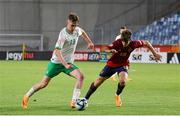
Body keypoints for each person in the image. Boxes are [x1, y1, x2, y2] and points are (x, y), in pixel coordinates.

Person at [21, 13, 94, 109]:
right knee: (43, 84)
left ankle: (74, 101)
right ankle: (26, 96)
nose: (74, 27)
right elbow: (57, 51)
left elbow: (83, 32)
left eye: (75, 25)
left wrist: (89, 42)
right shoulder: (63, 34)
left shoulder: (77, 30)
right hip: (56, 63)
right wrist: (65, 64)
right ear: (68, 22)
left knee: (81, 77)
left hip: (68, 63)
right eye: (72, 25)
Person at [84, 29, 161, 107]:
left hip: (123, 64)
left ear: (130, 40)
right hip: (112, 64)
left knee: (122, 81)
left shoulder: (134, 44)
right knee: (98, 81)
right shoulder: (117, 43)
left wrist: (155, 53)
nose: (124, 43)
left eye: (125, 42)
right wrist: (110, 51)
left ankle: (117, 95)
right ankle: (85, 99)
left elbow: (147, 43)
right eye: (123, 41)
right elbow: (104, 49)